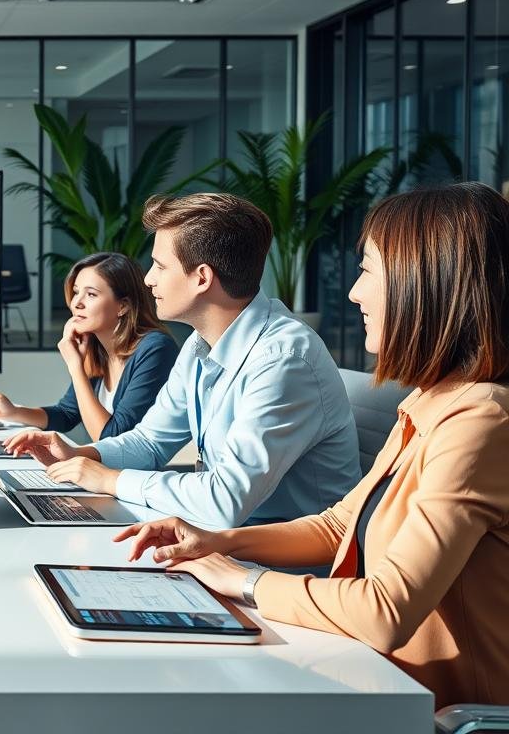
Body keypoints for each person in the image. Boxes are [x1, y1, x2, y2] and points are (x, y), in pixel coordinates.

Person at [117, 183, 509, 708]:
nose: (354, 294)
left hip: (430, 707)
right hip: (371, 675)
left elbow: (384, 612)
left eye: (368, 271)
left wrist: (241, 578)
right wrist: (218, 543)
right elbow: (339, 523)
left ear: (428, 282)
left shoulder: (480, 420)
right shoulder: (433, 400)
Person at [5, 193, 360, 529]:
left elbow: (225, 501)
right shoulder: (198, 345)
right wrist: (82, 454)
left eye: (160, 266)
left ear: (201, 278)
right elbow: (150, 442)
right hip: (221, 543)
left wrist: (110, 480)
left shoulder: (283, 361)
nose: (148, 279)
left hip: (279, 570)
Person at [0, 252, 178, 441]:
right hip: (101, 473)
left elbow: (113, 437)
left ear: (122, 306)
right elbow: (67, 414)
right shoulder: (96, 347)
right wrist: (12, 412)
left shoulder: (155, 349)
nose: (77, 303)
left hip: (129, 479)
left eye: (91, 294)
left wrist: (76, 367)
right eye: (76, 292)